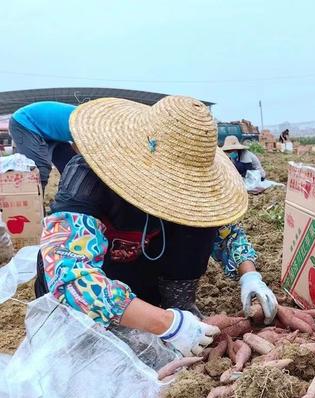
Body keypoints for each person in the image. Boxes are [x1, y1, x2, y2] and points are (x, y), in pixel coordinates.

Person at [34, 95, 278, 357]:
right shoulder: (88, 179)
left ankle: (179, 310)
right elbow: (70, 277)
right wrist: (166, 324)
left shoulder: (195, 194)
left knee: (200, 225)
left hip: (147, 279)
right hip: (96, 287)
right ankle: (158, 321)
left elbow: (226, 233)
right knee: (97, 346)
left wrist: (250, 277)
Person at [9, 102, 79, 190]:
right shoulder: (86, 126)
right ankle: (34, 200)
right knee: (40, 169)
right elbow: (80, 150)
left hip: (51, 132)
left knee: (72, 167)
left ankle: (70, 196)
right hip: (26, 123)